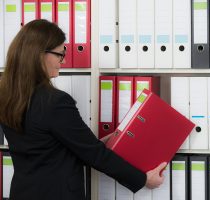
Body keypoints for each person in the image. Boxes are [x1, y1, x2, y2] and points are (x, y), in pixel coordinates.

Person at [0, 19, 166, 200]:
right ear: (40, 55)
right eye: (60, 55)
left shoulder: (7, 97)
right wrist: (143, 179)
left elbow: (50, 147)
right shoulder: (55, 102)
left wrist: (104, 141)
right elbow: (95, 155)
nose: (63, 61)